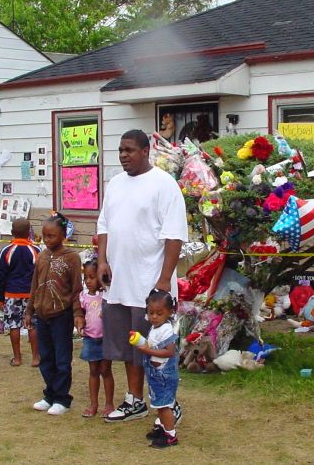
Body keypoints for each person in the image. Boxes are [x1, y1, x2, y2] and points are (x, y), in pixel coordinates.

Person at [97, 129, 188, 424]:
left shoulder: (164, 185)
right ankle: (134, 400)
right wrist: (101, 262)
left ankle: (167, 403)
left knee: (156, 351)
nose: (123, 155)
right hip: (118, 284)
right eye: (120, 150)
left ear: (146, 151)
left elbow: (174, 236)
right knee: (126, 346)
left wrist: (163, 280)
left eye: (129, 150)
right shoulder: (115, 184)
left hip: (150, 287)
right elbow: (104, 226)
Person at [25, 213, 84, 416]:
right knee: (46, 358)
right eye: (44, 236)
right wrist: (29, 310)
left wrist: (78, 314)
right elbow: (34, 285)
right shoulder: (41, 256)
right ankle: (49, 394)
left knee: (61, 358)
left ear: (62, 235)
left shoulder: (72, 258)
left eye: (51, 236)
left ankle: (62, 398)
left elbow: (77, 289)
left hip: (62, 315)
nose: (47, 240)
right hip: (42, 315)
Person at [134, 289, 180, 448]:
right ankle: (162, 428)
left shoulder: (166, 329)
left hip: (163, 375)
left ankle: (171, 435)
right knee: (159, 404)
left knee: (163, 406)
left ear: (169, 312)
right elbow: (151, 343)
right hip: (156, 374)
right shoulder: (156, 327)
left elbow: (169, 351)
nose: (154, 317)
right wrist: (139, 340)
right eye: (151, 312)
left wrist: (147, 351)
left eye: (159, 313)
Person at [0, 218, 40, 368]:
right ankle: (36, 358)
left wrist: (1, 298)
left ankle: (17, 358)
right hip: (31, 295)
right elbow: (40, 275)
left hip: (11, 294)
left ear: (12, 232)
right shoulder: (37, 250)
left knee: (14, 325)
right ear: (29, 232)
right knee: (33, 325)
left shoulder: (6, 251)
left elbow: (0, 276)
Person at [79, 257, 114, 418]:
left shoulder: (107, 295)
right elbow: (80, 313)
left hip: (106, 339)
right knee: (93, 371)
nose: (88, 281)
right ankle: (94, 404)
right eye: (86, 277)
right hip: (90, 339)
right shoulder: (83, 297)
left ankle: (109, 403)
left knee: (106, 370)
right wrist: (79, 324)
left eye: (92, 277)